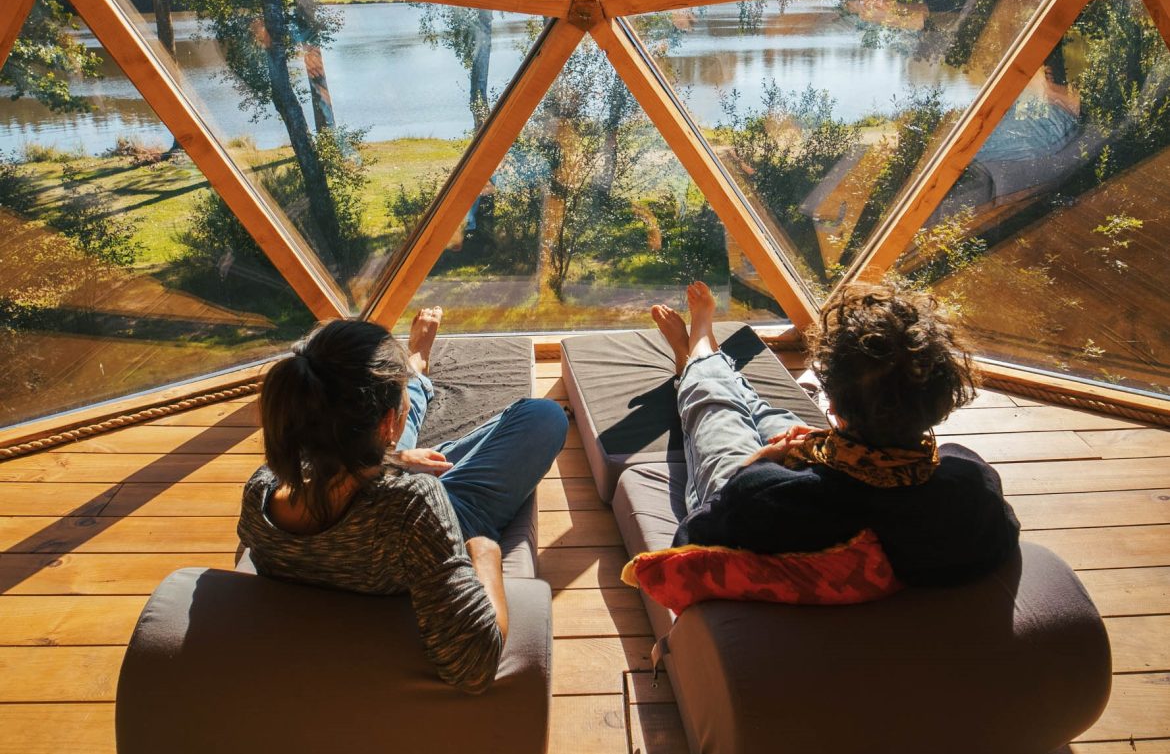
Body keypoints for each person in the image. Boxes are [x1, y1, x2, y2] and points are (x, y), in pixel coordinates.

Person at [237, 308, 568, 692]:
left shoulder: (259, 492)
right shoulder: (414, 507)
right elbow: (473, 667)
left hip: (375, 486)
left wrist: (395, 459)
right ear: (386, 426)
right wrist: (484, 553)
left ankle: (414, 372)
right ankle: (413, 373)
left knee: (382, 437)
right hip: (417, 539)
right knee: (543, 416)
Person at [650, 281, 1020, 587]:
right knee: (768, 414)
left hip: (777, 496)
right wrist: (820, 442)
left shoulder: (763, 493)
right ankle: (702, 359)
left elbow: (692, 540)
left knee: (714, 408)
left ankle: (698, 349)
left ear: (837, 407)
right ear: (941, 403)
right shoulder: (972, 485)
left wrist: (757, 465)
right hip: (836, 475)